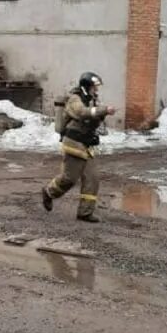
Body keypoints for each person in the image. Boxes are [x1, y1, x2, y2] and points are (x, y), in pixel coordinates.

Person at [42, 72, 116, 223]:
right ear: (86, 87)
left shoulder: (92, 100)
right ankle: (48, 192)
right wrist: (102, 110)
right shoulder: (74, 99)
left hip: (86, 144)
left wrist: (103, 114)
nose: (96, 90)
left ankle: (85, 213)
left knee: (92, 178)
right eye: (94, 87)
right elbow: (82, 113)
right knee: (69, 179)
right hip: (74, 144)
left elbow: (92, 119)